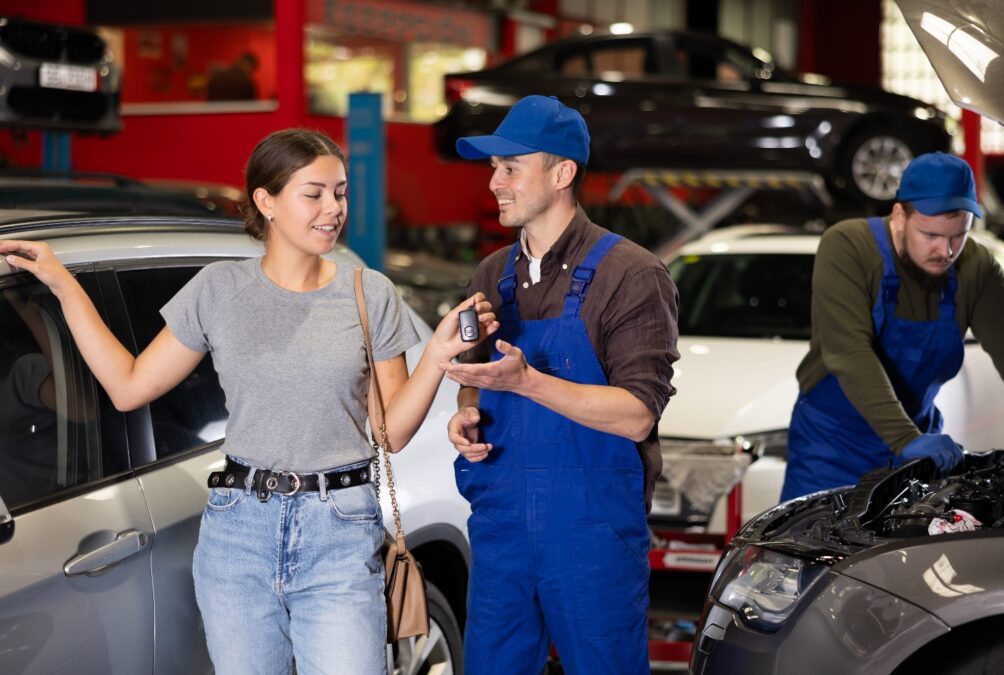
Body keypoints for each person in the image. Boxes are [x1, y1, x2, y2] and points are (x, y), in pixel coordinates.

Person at [0, 128, 496, 674]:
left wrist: (439, 354)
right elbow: (128, 386)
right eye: (314, 194)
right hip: (237, 534)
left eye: (340, 192)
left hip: (339, 530)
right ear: (267, 202)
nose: (333, 209)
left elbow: (391, 432)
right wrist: (63, 286)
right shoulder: (218, 289)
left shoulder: (367, 291)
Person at [441, 95, 679, 675]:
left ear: (562, 172)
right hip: (501, 529)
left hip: (590, 534)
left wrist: (528, 382)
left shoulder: (632, 275)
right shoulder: (490, 274)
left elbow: (636, 415)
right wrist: (466, 411)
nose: (495, 182)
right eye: (492, 168)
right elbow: (472, 378)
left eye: (510, 167)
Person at [781, 152, 1004, 501]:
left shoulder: (976, 267)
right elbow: (848, 351)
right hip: (832, 448)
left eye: (958, 236)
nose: (945, 251)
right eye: (931, 235)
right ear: (899, 216)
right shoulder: (849, 247)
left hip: (915, 450)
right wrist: (905, 438)